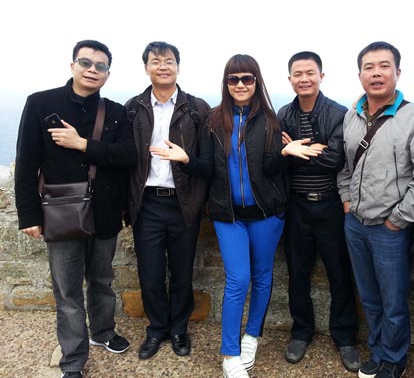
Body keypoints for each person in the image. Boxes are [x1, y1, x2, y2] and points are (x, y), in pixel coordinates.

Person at [14, 40, 137, 378]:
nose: (92, 70)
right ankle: (73, 359)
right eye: (85, 62)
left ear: (107, 74)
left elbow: (128, 157)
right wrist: (29, 215)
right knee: (67, 291)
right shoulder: (41, 103)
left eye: (100, 66)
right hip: (60, 211)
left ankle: (103, 332)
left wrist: (83, 144)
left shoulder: (115, 112)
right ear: (72, 65)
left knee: (102, 280)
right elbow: (27, 163)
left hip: (105, 212)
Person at [197, 54, 312, 378]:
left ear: (256, 82)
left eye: (247, 78)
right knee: (238, 279)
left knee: (262, 276)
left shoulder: (271, 120)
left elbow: (270, 168)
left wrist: (286, 154)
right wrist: (186, 161)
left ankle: (251, 336)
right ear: (226, 83)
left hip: (267, 214)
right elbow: (207, 168)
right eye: (233, 79)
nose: (240, 85)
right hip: (228, 216)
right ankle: (230, 353)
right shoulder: (213, 120)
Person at [337, 41, 414, 378]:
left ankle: (394, 359)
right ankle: (378, 351)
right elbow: (345, 167)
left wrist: (398, 219)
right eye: (369, 67)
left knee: (393, 301)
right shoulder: (351, 116)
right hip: (355, 223)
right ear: (360, 75)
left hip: (389, 228)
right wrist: (346, 200)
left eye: (384, 66)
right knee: (369, 297)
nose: (376, 73)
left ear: (398, 72)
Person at [125, 41, 212, 360]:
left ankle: (178, 329)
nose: (163, 66)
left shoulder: (197, 108)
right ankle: (156, 329)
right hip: (146, 202)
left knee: (182, 273)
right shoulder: (133, 108)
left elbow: (208, 163)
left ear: (178, 66)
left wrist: (186, 160)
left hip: (183, 202)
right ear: (146, 67)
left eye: (169, 61)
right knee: (149, 274)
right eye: (156, 61)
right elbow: (124, 160)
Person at [277, 51, 360, 372]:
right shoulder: (284, 114)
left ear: (321, 76)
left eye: (310, 73)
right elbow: (279, 157)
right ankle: (301, 332)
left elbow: (335, 160)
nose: (304, 79)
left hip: (330, 205)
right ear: (290, 79)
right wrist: (308, 149)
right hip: (296, 205)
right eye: (298, 74)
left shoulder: (338, 114)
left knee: (340, 273)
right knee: (297, 273)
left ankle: (345, 337)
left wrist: (297, 149)